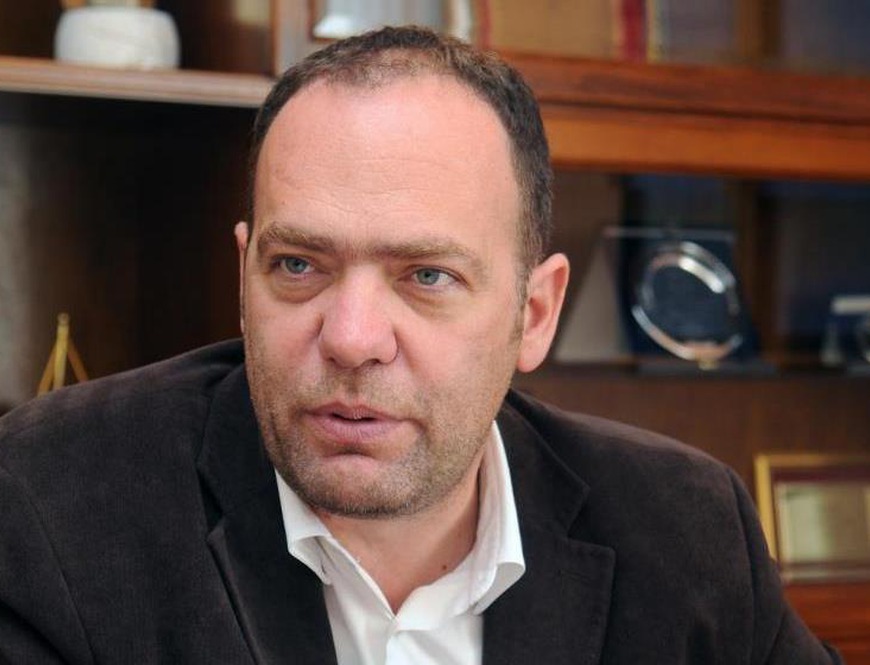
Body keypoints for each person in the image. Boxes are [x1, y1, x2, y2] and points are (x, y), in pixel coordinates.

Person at [0, 25, 840, 665]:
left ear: (534, 313)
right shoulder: (47, 510)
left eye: (427, 276)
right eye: (298, 265)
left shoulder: (689, 531)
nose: (351, 338)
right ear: (244, 277)